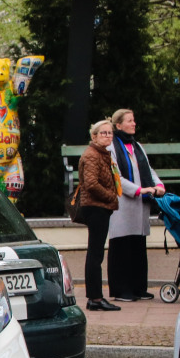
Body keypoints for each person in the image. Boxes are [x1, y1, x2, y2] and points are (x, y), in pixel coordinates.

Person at [107, 109, 164, 301]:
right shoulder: (112, 147)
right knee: (121, 245)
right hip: (122, 202)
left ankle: (139, 287)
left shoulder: (137, 146)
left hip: (140, 203)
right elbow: (116, 177)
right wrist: (139, 190)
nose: (134, 123)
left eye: (134, 120)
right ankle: (121, 290)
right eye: (130, 121)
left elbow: (148, 169)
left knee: (138, 245)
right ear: (118, 125)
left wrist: (158, 185)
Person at [77, 120, 122, 311]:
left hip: (102, 207)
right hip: (96, 207)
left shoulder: (103, 154)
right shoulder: (92, 155)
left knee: (96, 253)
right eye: (103, 133)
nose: (108, 136)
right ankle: (95, 298)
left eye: (110, 133)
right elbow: (91, 184)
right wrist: (111, 196)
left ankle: (95, 297)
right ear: (94, 136)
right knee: (95, 254)